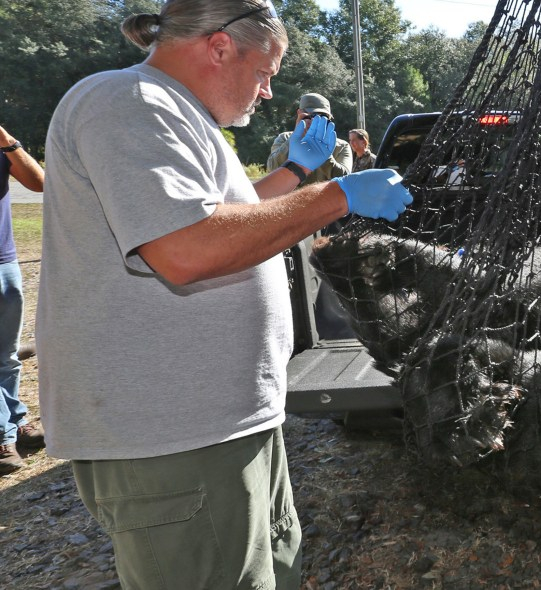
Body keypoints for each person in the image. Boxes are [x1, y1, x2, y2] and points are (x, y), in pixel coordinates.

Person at [36, 2, 412, 588]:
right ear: (218, 47)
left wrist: (292, 174)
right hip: (168, 431)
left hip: (227, 416)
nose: (266, 93)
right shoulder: (127, 101)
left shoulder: (183, 115)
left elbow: (227, 215)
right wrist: (335, 195)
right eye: (265, 73)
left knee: (271, 567)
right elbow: (185, 248)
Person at [0, 124, 45, 475]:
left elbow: (38, 183)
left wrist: (8, 142)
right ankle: (4, 435)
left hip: (6, 263)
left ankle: (17, 422)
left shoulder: (2, 147)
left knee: (8, 357)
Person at [267, 92, 352, 185]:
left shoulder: (341, 146)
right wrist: (295, 138)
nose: (316, 121)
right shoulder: (284, 138)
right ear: (300, 114)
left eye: (322, 117)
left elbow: (345, 179)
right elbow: (273, 167)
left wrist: (324, 155)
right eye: (312, 116)